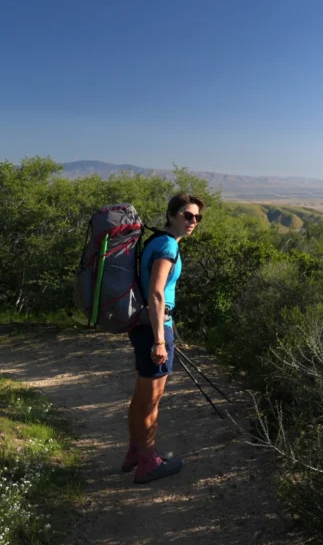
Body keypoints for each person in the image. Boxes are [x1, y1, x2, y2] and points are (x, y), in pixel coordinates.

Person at [123, 192, 204, 483]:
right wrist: (160, 340)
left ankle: (137, 451)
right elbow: (157, 293)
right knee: (151, 401)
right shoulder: (167, 245)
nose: (193, 221)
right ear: (171, 215)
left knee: (142, 396)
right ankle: (148, 463)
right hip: (154, 328)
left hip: (144, 326)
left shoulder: (156, 241)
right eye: (187, 215)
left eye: (197, 217)